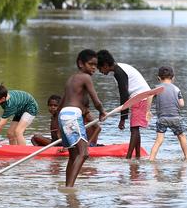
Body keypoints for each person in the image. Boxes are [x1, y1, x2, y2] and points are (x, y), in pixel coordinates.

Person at [58, 49, 106, 187]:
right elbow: (96, 100)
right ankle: (69, 188)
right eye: (91, 64)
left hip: (64, 115)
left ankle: (67, 185)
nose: (94, 68)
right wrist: (102, 112)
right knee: (84, 153)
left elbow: (62, 102)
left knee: (74, 155)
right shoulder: (85, 78)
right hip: (73, 115)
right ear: (80, 63)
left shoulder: (71, 79)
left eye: (95, 65)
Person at [96, 49, 152, 159]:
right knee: (135, 129)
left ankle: (128, 157)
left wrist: (122, 118)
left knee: (134, 129)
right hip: (139, 98)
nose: (100, 71)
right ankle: (137, 157)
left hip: (141, 97)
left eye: (100, 68)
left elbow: (124, 95)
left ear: (106, 65)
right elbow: (125, 95)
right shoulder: (119, 69)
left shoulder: (119, 72)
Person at [149, 66, 187, 161]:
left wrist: (148, 110)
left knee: (159, 140)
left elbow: (149, 96)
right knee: (181, 137)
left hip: (162, 119)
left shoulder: (157, 89)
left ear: (159, 78)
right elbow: (182, 104)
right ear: (173, 77)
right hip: (175, 118)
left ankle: (151, 159)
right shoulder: (176, 89)